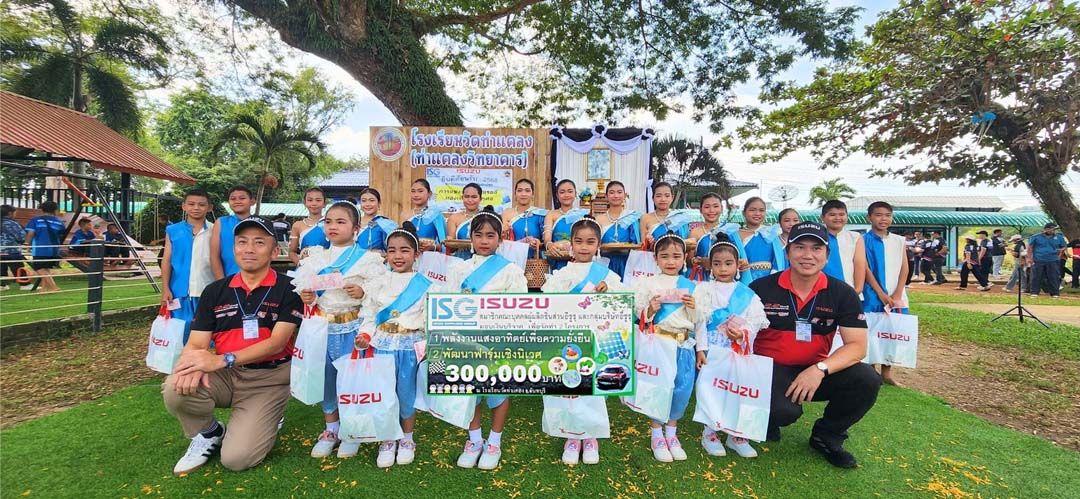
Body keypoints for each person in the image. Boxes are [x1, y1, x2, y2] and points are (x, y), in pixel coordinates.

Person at [162, 217, 304, 474]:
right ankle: (210, 432)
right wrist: (191, 364)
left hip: (268, 379)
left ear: (274, 251)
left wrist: (220, 359)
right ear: (234, 248)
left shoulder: (290, 288)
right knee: (176, 387)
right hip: (226, 375)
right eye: (242, 242)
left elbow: (277, 343)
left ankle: (269, 413)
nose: (249, 249)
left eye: (259, 243)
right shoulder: (215, 291)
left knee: (237, 459)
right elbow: (196, 342)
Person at [748, 221, 880, 469]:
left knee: (867, 379)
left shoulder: (843, 293)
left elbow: (857, 346)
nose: (808, 255)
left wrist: (819, 369)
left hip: (814, 368)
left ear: (827, 256)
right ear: (787, 252)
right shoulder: (760, 288)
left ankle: (827, 436)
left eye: (816, 248)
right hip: (768, 369)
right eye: (800, 247)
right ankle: (767, 417)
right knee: (783, 411)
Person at [294, 202, 386, 460]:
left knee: (352, 380)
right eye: (328, 221)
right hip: (322, 327)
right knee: (326, 378)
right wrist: (307, 296)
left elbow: (381, 292)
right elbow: (304, 289)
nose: (332, 226)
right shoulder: (316, 258)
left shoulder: (368, 259)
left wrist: (363, 292)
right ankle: (331, 428)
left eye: (340, 222)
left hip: (353, 326)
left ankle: (351, 430)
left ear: (356, 228)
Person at [446, 206, 527, 470]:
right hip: (465, 341)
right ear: (470, 237)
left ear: (500, 239)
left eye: (490, 235)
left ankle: (494, 441)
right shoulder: (458, 269)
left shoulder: (510, 271)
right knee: (470, 390)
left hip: (497, 340)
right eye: (478, 235)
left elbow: (519, 308)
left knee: (498, 390)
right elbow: (446, 303)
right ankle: (474, 440)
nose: (484, 241)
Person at [540, 215, 623, 465]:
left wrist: (607, 293)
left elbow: (620, 308)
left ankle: (591, 437)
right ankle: (572, 436)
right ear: (571, 244)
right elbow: (550, 306)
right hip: (570, 340)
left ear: (598, 244)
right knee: (570, 386)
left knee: (594, 388)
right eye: (579, 241)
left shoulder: (607, 276)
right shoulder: (561, 275)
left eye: (590, 242)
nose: (584, 247)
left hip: (597, 340)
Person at [356, 222, 435, 467]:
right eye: (392, 250)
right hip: (383, 345)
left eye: (404, 250)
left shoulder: (426, 284)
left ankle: (407, 438)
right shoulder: (378, 283)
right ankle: (388, 438)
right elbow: (370, 314)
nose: (398, 256)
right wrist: (365, 335)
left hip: (410, 346)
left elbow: (428, 319)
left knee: (406, 393)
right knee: (385, 393)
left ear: (416, 254)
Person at [692, 234, 769, 458]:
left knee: (736, 390)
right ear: (710, 266)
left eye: (728, 263)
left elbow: (756, 321)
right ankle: (710, 432)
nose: (723, 268)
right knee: (712, 389)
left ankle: (736, 435)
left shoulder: (747, 293)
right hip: (713, 348)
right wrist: (700, 349)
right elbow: (699, 322)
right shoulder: (703, 289)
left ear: (738, 265)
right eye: (717, 264)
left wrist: (742, 334)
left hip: (737, 347)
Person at [631, 232, 701, 463]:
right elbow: (640, 316)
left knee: (681, 389)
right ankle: (656, 434)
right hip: (659, 344)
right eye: (665, 256)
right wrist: (650, 309)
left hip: (683, 345)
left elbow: (700, 321)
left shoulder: (693, 287)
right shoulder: (647, 284)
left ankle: (672, 431)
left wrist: (693, 307)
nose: (671, 261)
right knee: (658, 388)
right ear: (656, 259)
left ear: (684, 258)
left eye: (676, 256)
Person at [861, 202, 910, 386]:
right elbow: (865, 268)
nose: (883, 219)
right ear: (869, 217)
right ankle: (871, 370)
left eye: (887, 215)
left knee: (892, 332)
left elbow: (905, 267)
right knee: (872, 332)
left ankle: (887, 372)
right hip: (872, 294)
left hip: (897, 295)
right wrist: (880, 293)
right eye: (878, 215)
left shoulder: (899, 240)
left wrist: (897, 293)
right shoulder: (862, 240)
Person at [160, 190, 216, 342]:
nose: (196, 208)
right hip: (178, 291)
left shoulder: (215, 230)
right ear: (183, 206)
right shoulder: (173, 230)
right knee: (179, 333)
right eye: (191, 204)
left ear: (209, 207)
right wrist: (165, 288)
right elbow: (167, 260)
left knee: (207, 333)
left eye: (201, 205)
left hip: (207, 289)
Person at [688, 193, 748, 283]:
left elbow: (740, 256)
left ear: (722, 209)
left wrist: (741, 263)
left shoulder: (730, 230)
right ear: (700, 210)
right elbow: (688, 261)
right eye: (707, 207)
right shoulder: (694, 232)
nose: (711, 210)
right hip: (702, 279)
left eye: (716, 206)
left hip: (726, 278)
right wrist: (700, 261)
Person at [819, 200, 867, 296]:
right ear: (822, 218)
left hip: (850, 292)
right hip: (821, 292)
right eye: (832, 214)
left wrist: (858, 289)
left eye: (841, 214)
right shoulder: (817, 237)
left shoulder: (855, 237)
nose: (837, 218)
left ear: (847, 216)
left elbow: (859, 264)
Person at [598, 181, 641, 278]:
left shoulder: (632, 217)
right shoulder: (599, 219)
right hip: (605, 263)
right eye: (612, 192)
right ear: (606, 196)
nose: (616, 195)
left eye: (619, 192)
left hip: (627, 263)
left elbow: (637, 242)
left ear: (625, 195)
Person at [543, 179, 588, 272]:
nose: (566, 195)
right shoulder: (551, 214)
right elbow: (547, 237)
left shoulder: (583, 214)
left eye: (570, 191)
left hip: (578, 260)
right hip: (557, 258)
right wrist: (550, 245)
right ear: (557, 195)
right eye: (562, 192)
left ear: (575, 194)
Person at [211, 186, 256, 279]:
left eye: (242, 198)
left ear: (252, 201)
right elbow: (214, 256)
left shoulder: (260, 223)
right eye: (233, 199)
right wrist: (221, 283)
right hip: (229, 278)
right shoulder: (221, 222)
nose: (237, 201)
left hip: (257, 278)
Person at [24, 200, 64, 293]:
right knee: (46, 268)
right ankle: (45, 288)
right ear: (55, 210)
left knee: (39, 267)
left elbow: (30, 233)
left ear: (42, 209)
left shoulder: (36, 220)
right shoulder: (59, 222)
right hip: (54, 249)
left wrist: (27, 244)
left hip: (40, 248)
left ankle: (53, 286)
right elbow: (61, 233)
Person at [737, 197, 782, 281]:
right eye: (752, 210)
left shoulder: (771, 234)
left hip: (769, 280)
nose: (757, 213)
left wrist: (772, 280)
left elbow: (778, 259)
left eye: (761, 210)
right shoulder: (735, 236)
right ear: (744, 213)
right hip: (743, 281)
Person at [399, 179, 445, 253]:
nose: (416, 195)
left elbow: (444, 243)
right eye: (413, 191)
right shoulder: (405, 215)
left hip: (431, 256)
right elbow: (401, 238)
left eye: (420, 191)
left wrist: (433, 247)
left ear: (429, 193)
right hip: (410, 256)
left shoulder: (435, 214)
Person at [642, 182, 691, 248]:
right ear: (653, 198)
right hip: (653, 254)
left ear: (672, 198)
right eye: (658, 196)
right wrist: (648, 241)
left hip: (677, 254)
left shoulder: (680, 217)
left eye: (667, 196)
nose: (663, 199)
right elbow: (642, 244)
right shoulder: (645, 218)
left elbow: (688, 243)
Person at [502, 179, 545, 254]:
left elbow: (547, 241)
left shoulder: (540, 214)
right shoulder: (507, 213)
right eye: (519, 190)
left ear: (532, 194)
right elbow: (502, 239)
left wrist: (538, 243)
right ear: (515, 194)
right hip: (512, 256)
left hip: (534, 258)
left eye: (527, 191)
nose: (523, 194)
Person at [289, 188, 329, 264]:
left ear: (324, 203)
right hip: (305, 268)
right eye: (310, 200)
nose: (314, 203)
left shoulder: (330, 224)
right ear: (305, 203)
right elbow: (291, 252)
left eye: (318, 200)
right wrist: (301, 264)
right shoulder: (297, 225)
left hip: (327, 267)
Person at [1027, 223, 1067, 298]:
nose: (1052, 231)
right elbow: (1030, 247)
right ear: (1045, 229)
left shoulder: (1059, 237)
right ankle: (1034, 292)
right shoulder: (1036, 237)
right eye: (1051, 229)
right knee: (1036, 276)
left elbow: (1064, 246)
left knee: (1053, 276)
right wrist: (1029, 258)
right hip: (1038, 259)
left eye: (1054, 229)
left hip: (1053, 260)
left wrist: (1061, 251)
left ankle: (1055, 293)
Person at [447, 183, 484, 259]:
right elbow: (451, 247)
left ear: (480, 199)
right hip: (459, 260)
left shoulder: (486, 217)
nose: (470, 200)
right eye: (467, 196)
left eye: (474, 197)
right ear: (462, 198)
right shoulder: (454, 218)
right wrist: (449, 242)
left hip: (482, 259)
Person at [0, 204, 31, 291]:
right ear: (10, 213)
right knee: (17, 267)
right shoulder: (12, 223)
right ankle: (24, 284)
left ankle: (3, 285)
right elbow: (21, 237)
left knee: (2, 268)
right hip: (12, 250)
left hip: (1, 250)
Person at [356, 188, 397, 252]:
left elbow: (396, 248)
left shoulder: (387, 224)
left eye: (372, 200)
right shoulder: (353, 222)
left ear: (379, 203)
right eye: (364, 201)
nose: (367, 204)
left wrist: (381, 254)